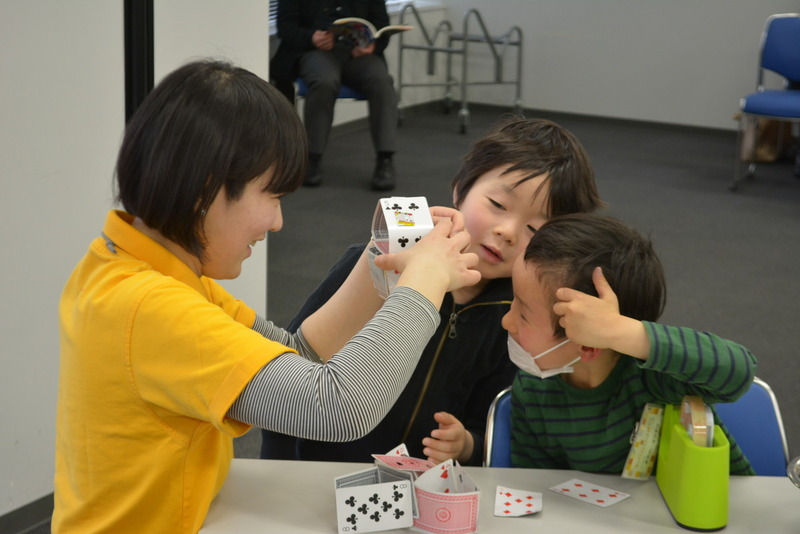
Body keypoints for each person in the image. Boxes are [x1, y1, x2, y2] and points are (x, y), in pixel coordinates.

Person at [53, 59, 481, 534]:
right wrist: (424, 282)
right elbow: (337, 407)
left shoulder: (133, 268)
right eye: (272, 196)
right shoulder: (149, 308)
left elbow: (299, 353)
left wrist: (381, 257)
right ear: (204, 190)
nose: (277, 223)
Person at [260, 116, 603, 465]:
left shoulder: (514, 317)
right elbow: (289, 365)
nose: (508, 231)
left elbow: (494, 423)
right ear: (461, 188)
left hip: (423, 486)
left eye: (534, 228)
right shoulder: (378, 265)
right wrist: (280, 467)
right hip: (318, 466)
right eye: (498, 205)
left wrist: (467, 445)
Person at [502, 213, 756, 474]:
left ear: (587, 345)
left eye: (523, 314)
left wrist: (619, 331)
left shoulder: (654, 375)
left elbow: (739, 372)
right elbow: (536, 481)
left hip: (709, 497)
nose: (506, 321)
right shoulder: (532, 390)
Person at [270, 0, 399, 190]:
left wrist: (373, 46)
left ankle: (385, 159)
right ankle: (313, 158)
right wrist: (311, 37)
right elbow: (285, 27)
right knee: (324, 82)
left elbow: (381, 26)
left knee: (382, 81)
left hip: (358, 55)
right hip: (315, 51)